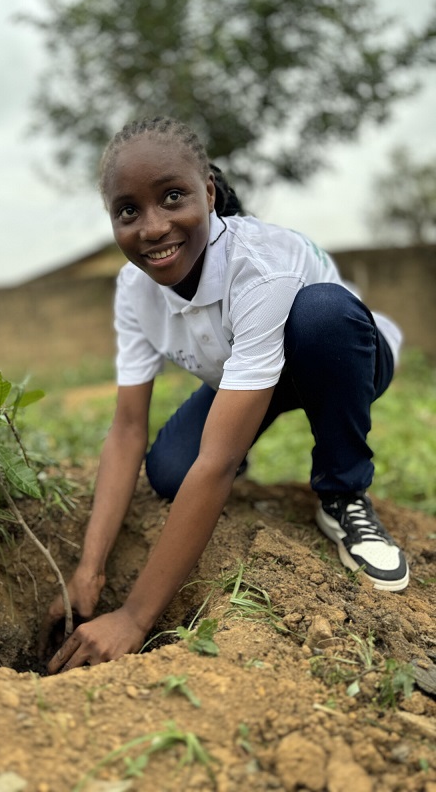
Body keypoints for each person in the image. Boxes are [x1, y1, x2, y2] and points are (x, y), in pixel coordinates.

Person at [47, 116, 408, 673]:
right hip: (249, 374)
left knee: (322, 315)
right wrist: (89, 569)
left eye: (173, 197)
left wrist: (135, 617)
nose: (152, 228)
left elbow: (216, 464)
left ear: (209, 193)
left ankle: (343, 492)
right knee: (170, 472)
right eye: (128, 211)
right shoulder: (133, 288)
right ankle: (244, 435)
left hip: (341, 354)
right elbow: (125, 430)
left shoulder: (258, 267)